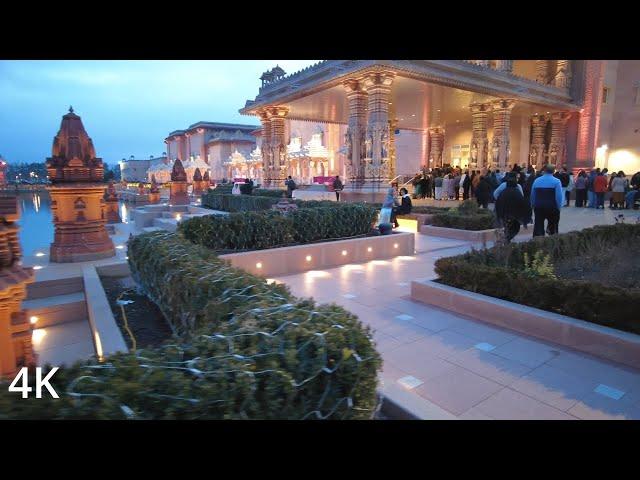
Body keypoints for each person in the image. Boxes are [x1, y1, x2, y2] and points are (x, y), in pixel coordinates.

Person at [530, 164, 563, 237]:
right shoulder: (557, 181)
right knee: (553, 225)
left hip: (539, 206)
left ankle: (538, 240)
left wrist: (532, 204)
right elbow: (559, 196)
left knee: (538, 224)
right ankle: (553, 238)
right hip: (552, 206)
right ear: (553, 171)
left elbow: (533, 195)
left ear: (544, 171)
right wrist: (559, 206)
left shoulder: (537, 180)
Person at [495, 173, 528, 242]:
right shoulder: (517, 187)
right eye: (517, 178)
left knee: (505, 225)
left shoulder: (504, 185)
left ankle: (506, 239)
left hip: (504, 209)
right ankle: (507, 239)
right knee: (514, 226)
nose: (518, 179)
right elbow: (521, 198)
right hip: (514, 211)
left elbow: (495, 194)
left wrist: (500, 201)